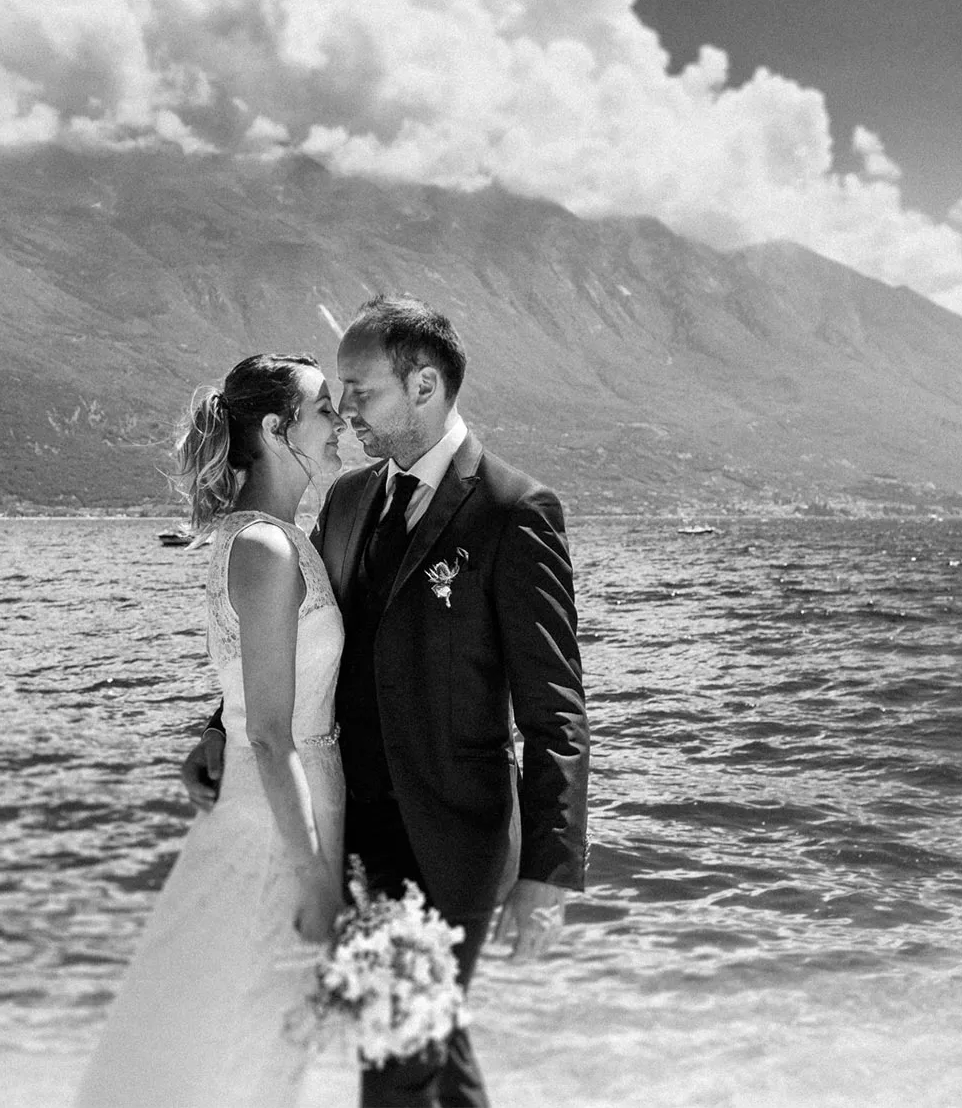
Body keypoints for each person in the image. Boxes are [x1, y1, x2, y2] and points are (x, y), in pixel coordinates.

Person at [182, 295, 589, 1107]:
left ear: (425, 385)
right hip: (353, 830)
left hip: (456, 837)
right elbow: (299, 652)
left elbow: (555, 710)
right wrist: (221, 723)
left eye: (361, 392)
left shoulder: (515, 512)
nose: (348, 413)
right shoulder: (345, 501)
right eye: (337, 396)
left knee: (397, 1060)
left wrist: (549, 871)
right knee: (430, 1047)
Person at [76, 353, 349, 1108]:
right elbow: (267, 732)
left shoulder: (278, 537)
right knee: (251, 1043)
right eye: (323, 408)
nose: (340, 421)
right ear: (275, 428)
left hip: (285, 809)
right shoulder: (265, 548)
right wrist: (316, 877)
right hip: (275, 828)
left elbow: (253, 702)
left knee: (254, 1042)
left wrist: (211, 727)